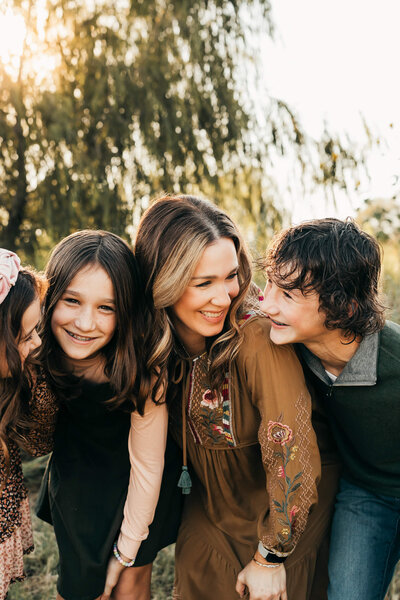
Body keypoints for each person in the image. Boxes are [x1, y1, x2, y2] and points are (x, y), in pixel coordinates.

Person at [134, 195, 324, 600]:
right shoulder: (150, 341)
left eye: (231, 276)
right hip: (211, 506)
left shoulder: (256, 335)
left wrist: (270, 556)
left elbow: (292, 451)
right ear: (162, 281)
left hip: (282, 507)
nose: (225, 296)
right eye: (203, 283)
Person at [36, 230, 182, 600]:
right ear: (49, 297)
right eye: (72, 300)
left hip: (141, 482)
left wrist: (127, 549)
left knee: (130, 585)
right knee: (81, 587)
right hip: (77, 481)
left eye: (106, 307)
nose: (85, 324)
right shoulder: (34, 351)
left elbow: (149, 466)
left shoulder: (143, 369)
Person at [261, 217, 400, 600]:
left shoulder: (394, 360)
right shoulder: (292, 347)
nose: (267, 302)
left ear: (343, 307)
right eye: (270, 283)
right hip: (366, 494)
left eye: (287, 295)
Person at [0, 249, 57, 600]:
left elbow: (41, 442)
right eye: (26, 336)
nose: (37, 342)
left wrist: (36, 378)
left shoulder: (9, 387)